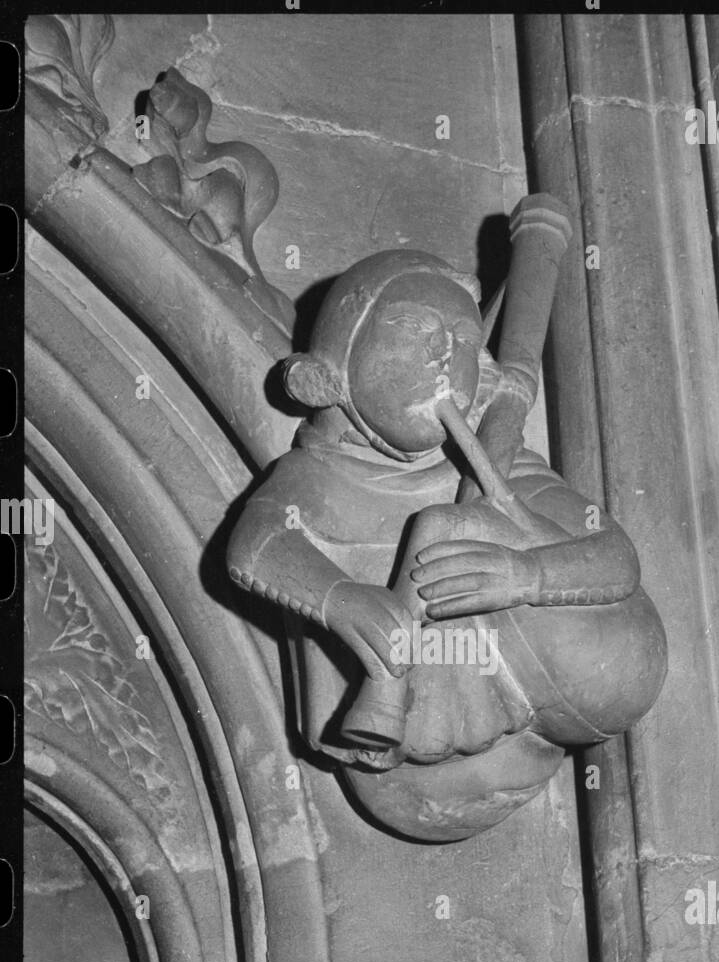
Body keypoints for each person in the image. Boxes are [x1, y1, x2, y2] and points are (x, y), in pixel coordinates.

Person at [227, 250, 666, 840]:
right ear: (329, 371)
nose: (444, 355)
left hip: (585, 679)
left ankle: (391, 698)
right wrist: (340, 600)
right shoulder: (315, 479)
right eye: (413, 328)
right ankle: (388, 705)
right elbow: (255, 547)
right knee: (446, 525)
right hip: (413, 777)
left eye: (463, 340)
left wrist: (525, 572)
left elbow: (616, 559)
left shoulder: (500, 471)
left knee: (453, 524)